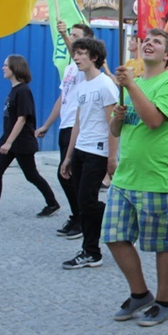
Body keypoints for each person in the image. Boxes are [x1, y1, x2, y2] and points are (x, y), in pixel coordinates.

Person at [102, 28, 168, 326]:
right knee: (113, 237)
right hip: (126, 177)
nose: (148, 43)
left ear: (167, 55)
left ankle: (163, 301)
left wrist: (129, 87)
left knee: (162, 243)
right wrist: (118, 117)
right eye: (146, 40)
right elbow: (116, 130)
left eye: (157, 42)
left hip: (156, 176)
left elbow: (152, 121)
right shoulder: (133, 83)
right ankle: (140, 293)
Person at [0, 55, 60, 223]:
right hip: (9, 140)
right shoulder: (14, 90)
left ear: (15, 68)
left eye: (6, 65)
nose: (3, 68)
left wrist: (9, 142)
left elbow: (22, 118)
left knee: (31, 175)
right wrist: (7, 141)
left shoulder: (23, 90)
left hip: (21, 142)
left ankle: (52, 203)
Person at [59, 38, 119, 269]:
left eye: (81, 53)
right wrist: (68, 156)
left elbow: (113, 125)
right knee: (83, 202)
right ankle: (91, 251)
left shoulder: (105, 85)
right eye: (75, 53)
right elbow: (77, 122)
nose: (76, 57)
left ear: (94, 57)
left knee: (87, 202)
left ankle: (96, 247)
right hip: (81, 150)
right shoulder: (82, 86)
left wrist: (112, 158)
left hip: (98, 151)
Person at [35, 22, 94, 238]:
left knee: (70, 176)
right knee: (65, 176)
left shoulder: (85, 67)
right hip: (65, 125)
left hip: (77, 127)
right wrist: (47, 124)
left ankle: (83, 219)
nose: (71, 37)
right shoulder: (70, 69)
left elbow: (78, 51)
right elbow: (63, 98)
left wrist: (65, 37)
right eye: (70, 35)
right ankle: (78, 215)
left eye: (76, 36)